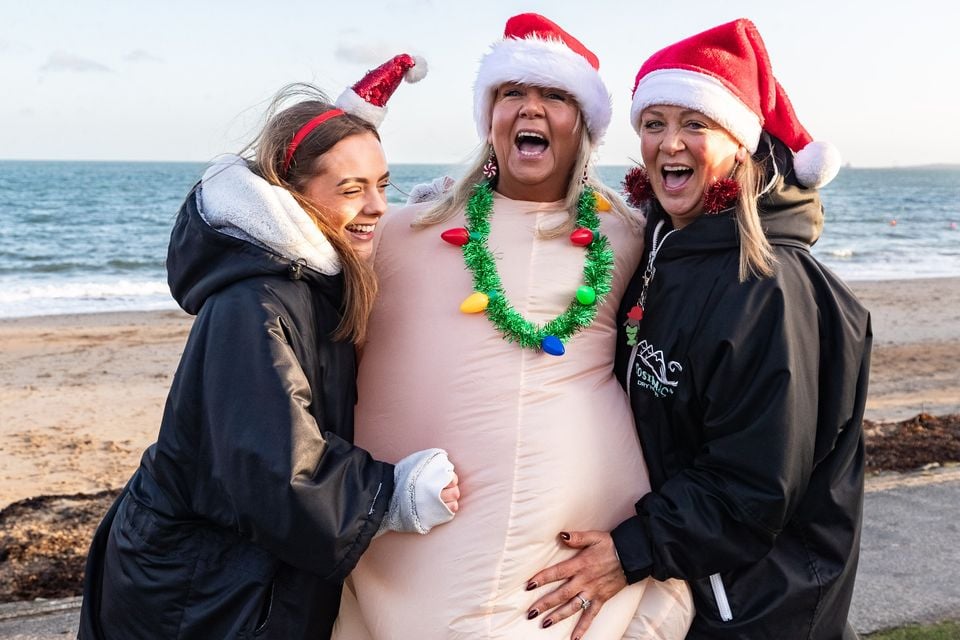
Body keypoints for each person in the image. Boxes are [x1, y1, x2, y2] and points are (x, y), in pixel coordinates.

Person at [332, 14, 693, 640]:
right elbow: (291, 229)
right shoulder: (402, 231)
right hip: (412, 531)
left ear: (582, 122)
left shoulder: (631, 235)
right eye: (510, 94)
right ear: (489, 116)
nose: (530, 109)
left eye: (554, 95)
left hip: (568, 539)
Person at [77, 54, 462, 640]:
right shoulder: (255, 303)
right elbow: (273, 467)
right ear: (292, 195)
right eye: (351, 189)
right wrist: (392, 493)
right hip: (198, 584)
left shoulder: (314, 280)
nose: (378, 207)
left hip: (238, 574)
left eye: (384, 185)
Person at [526, 18, 872, 639]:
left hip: (759, 605)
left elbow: (753, 484)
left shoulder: (764, 285)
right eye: (653, 125)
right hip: (694, 582)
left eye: (695, 124)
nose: (670, 143)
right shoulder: (665, 245)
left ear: (740, 142)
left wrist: (632, 549)